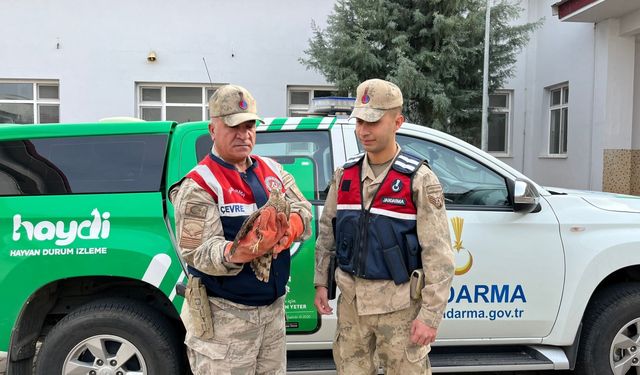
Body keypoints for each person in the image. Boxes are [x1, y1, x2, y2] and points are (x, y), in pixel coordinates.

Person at [313, 78, 454, 374]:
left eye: (373, 122)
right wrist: (322, 283)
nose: (364, 130)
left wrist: (430, 316)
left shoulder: (419, 179)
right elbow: (328, 233)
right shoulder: (345, 176)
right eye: (360, 121)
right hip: (352, 308)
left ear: (397, 122)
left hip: (400, 309)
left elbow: (438, 255)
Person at [170, 84, 312, 374]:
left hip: (272, 314)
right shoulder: (199, 184)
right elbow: (195, 251)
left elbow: (303, 209)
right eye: (234, 126)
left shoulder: (272, 170)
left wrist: (290, 231)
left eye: (249, 126)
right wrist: (238, 251)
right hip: (226, 319)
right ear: (212, 129)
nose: (244, 134)